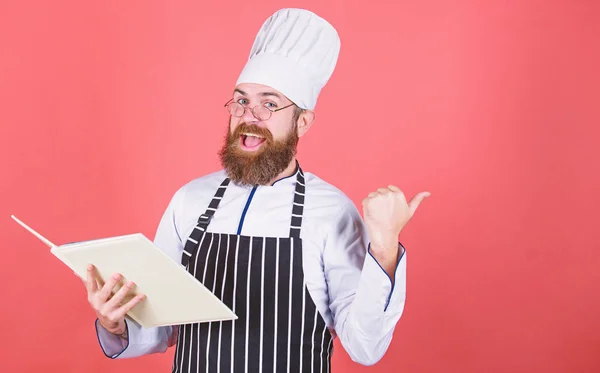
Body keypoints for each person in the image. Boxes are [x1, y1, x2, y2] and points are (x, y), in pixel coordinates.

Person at [84, 8, 430, 373]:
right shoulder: (190, 201)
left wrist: (386, 246)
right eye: (242, 100)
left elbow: (365, 346)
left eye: (269, 103)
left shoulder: (331, 213)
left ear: (303, 122)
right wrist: (115, 323)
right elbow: (159, 328)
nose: (250, 115)